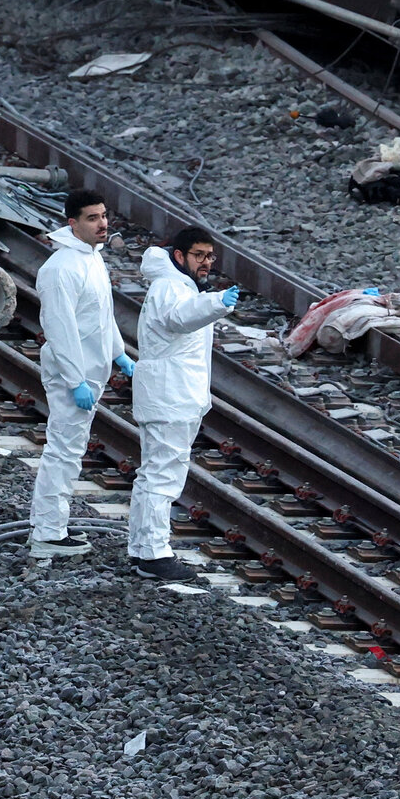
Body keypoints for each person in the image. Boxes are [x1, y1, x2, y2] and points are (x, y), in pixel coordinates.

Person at [127, 224, 239, 582]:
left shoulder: (179, 285)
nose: (206, 262)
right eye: (198, 255)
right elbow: (180, 319)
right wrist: (216, 303)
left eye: (210, 256)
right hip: (170, 396)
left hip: (171, 394)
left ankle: (143, 549)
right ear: (179, 256)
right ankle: (156, 555)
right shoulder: (171, 287)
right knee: (164, 474)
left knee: (154, 474)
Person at [29, 188, 129, 559]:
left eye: (104, 216)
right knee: (64, 451)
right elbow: (60, 329)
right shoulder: (60, 268)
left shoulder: (92, 259)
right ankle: (49, 533)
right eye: (93, 218)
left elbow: (101, 314)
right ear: (73, 223)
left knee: (70, 449)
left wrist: (119, 355)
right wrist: (75, 381)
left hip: (91, 370)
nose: (103, 224)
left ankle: (50, 527)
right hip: (75, 375)